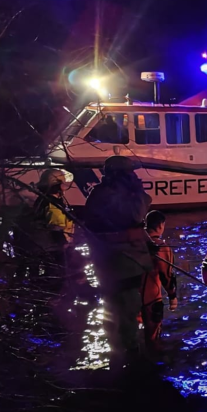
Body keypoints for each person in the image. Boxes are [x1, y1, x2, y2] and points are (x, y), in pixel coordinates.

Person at [82, 155, 154, 367]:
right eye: (131, 173)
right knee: (128, 308)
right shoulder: (115, 196)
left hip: (110, 261)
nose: (134, 176)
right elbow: (136, 214)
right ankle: (130, 358)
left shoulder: (98, 194)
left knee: (114, 307)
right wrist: (138, 192)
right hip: (124, 262)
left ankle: (117, 354)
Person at [31, 169, 80, 290]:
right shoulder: (52, 203)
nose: (65, 186)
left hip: (46, 248)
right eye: (63, 183)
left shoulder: (47, 200)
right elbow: (56, 227)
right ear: (56, 184)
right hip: (52, 249)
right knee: (56, 279)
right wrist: (64, 244)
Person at [139, 210, 177, 356]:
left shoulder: (134, 243)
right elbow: (166, 274)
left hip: (130, 297)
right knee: (153, 339)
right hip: (150, 299)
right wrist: (172, 296)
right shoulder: (160, 246)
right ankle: (154, 366)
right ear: (161, 225)